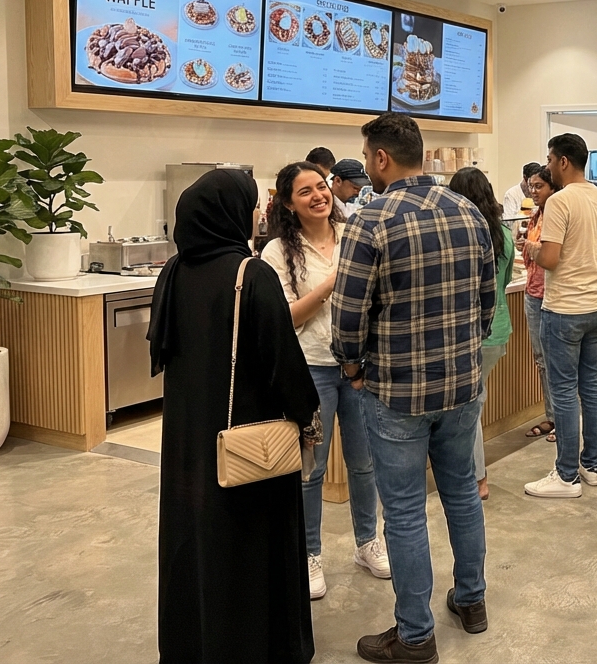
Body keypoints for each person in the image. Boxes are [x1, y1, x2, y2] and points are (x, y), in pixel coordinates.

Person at [332, 113, 496, 662]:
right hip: (461, 387)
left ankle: (415, 633)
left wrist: (352, 368)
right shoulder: (469, 210)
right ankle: (471, 601)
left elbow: (348, 315)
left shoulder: (369, 219)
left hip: (397, 393)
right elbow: (486, 300)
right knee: (462, 495)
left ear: (380, 158)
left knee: (402, 511)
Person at [150, 168, 320, 664]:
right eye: (249, 204)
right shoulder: (251, 274)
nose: (255, 213)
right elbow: (282, 360)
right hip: (249, 438)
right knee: (250, 546)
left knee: (194, 542)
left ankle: (194, 643)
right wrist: (307, 413)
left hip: (189, 437)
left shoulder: (175, 272)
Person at [261, 162, 389, 603]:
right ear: (288, 202)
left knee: (365, 462)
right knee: (309, 470)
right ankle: (310, 553)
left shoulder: (355, 232)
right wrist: (334, 284)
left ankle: (367, 543)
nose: (318, 196)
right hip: (311, 369)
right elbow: (285, 317)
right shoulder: (277, 252)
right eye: (305, 192)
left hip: (360, 366)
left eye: (321, 187)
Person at [523, 132, 597, 498]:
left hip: (564, 309)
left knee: (564, 391)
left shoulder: (561, 202)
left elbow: (549, 258)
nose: (548, 166)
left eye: (550, 159)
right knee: (591, 386)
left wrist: (532, 247)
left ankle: (566, 475)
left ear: (563, 161)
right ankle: (591, 465)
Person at [448, 167, 515, 501]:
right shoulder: (504, 233)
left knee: (469, 410)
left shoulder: (460, 233)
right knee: (474, 403)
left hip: (470, 332)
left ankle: (477, 478)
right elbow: (502, 285)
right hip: (498, 328)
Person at [521, 165, 560, 438]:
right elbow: (530, 251)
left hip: (554, 295)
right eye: (531, 186)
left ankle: (565, 420)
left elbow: (549, 254)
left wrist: (533, 249)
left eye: (539, 187)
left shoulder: (557, 214)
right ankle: (553, 416)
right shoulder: (536, 215)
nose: (534, 191)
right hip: (533, 292)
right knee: (541, 359)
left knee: (557, 361)